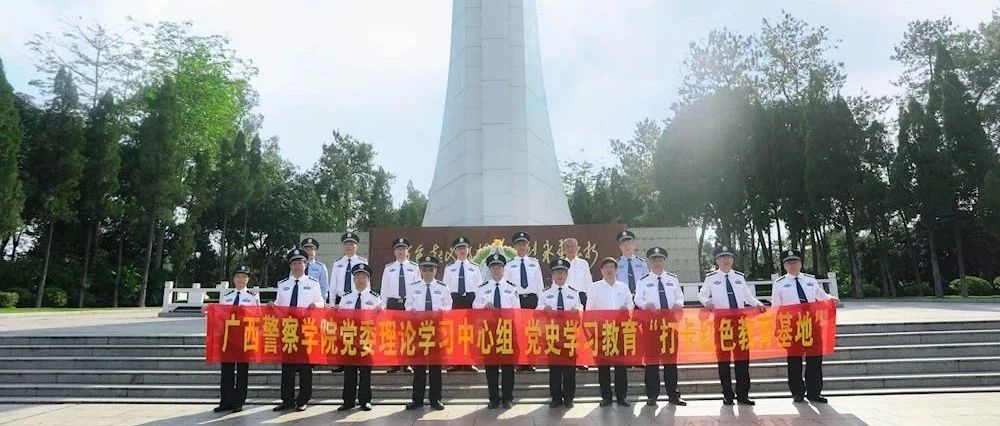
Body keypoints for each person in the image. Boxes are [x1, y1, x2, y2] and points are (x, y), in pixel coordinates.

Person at [698, 245, 766, 406]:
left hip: (740, 321)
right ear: (717, 261)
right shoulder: (711, 278)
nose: (726, 260)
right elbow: (702, 294)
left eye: (728, 257)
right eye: (722, 258)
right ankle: (727, 394)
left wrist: (757, 303)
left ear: (732, 260)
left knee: (743, 358)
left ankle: (743, 394)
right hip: (722, 323)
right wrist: (707, 302)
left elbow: (748, 296)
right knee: (724, 359)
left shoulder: (739, 277)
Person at [771, 249, 837, 404]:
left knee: (815, 359)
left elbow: (821, 295)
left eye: (795, 262)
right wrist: (778, 326)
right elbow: (776, 306)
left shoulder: (810, 280)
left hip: (811, 323)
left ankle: (814, 392)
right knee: (794, 360)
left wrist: (830, 298)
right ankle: (797, 392)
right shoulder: (779, 283)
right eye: (789, 262)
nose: (792, 265)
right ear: (784, 265)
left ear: (801, 263)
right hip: (792, 325)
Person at [272, 248, 325, 412]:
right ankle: (287, 400)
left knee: (304, 367)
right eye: (294, 263)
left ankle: (303, 399)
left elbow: (321, 303)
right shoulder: (283, 285)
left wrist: (314, 305)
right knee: (287, 367)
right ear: (290, 265)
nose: (297, 266)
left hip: (306, 328)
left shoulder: (312, 283)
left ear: (305, 264)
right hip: (288, 329)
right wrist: (271, 307)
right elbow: (278, 305)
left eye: (300, 263)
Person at [633, 247, 687, 406]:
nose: (657, 263)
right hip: (651, 325)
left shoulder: (672, 279)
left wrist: (678, 303)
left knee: (671, 361)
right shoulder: (643, 281)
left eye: (660, 260)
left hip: (670, 325)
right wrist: (645, 304)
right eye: (654, 260)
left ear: (664, 261)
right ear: (650, 262)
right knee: (651, 361)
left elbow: (679, 296)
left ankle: (673, 395)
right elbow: (637, 299)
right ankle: (652, 395)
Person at [205, 265, 259, 413]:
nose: (240, 279)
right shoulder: (227, 297)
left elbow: (258, 317)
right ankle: (226, 401)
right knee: (227, 371)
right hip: (227, 338)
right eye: (238, 276)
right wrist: (209, 311)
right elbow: (219, 316)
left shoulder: (252, 297)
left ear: (248, 279)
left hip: (244, 338)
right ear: (233, 279)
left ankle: (238, 402)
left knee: (242, 372)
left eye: (244, 277)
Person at [405, 256, 453, 411]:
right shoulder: (413, 287)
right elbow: (407, 305)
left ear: (435, 271)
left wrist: (442, 311)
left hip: (437, 331)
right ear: (420, 271)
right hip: (419, 330)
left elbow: (449, 306)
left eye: (430, 269)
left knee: (435, 367)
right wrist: (411, 311)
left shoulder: (442, 287)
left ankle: (435, 399)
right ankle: (417, 400)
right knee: (418, 366)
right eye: (424, 269)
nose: (427, 272)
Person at [473, 253, 519, 409]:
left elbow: (517, 309)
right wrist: (483, 306)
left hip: (507, 330)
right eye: (493, 267)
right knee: (491, 366)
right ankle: (493, 398)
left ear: (503, 269)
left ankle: (507, 398)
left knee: (507, 366)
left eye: (499, 266)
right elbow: (475, 306)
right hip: (489, 331)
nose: (497, 269)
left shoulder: (512, 288)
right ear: (489, 269)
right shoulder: (482, 288)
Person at [586, 257, 634, 407]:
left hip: (620, 330)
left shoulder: (623, 287)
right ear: (601, 270)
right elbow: (589, 310)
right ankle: (606, 397)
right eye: (606, 267)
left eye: (612, 267)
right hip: (603, 330)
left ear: (616, 269)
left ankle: (621, 397)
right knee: (604, 366)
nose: (609, 270)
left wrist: (627, 309)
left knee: (621, 366)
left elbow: (631, 305)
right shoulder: (594, 287)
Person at [337, 263, 383, 412]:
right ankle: (348, 401)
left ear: (368, 279)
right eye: (357, 276)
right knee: (349, 371)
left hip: (366, 338)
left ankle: (365, 401)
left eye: (364, 276)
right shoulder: (345, 298)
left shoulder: (375, 298)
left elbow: (381, 321)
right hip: (349, 338)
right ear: (354, 278)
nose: (360, 279)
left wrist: (380, 312)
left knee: (365, 372)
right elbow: (339, 319)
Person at [537, 258, 582, 408]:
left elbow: (581, 308)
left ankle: (569, 397)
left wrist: (578, 311)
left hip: (569, 334)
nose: (560, 275)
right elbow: (537, 309)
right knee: (555, 369)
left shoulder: (574, 293)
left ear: (567, 274)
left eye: (562, 272)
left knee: (570, 369)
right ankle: (556, 397)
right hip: (552, 334)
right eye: (557, 272)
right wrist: (544, 309)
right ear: (552, 274)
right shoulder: (545, 292)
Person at [505, 231, 543, 371]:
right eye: (519, 244)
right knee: (518, 331)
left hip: (532, 299)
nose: (522, 247)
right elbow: (507, 286)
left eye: (524, 244)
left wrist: (540, 303)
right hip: (517, 299)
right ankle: (520, 361)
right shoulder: (509, 265)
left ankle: (530, 361)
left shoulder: (534, 263)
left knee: (531, 331)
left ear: (528, 246)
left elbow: (539, 284)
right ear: (514, 246)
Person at [443, 236, 483, 373]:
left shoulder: (475, 268)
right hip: (455, 301)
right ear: (454, 251)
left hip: (470, 300)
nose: (462, 251)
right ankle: (456, 362)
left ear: (469, 250)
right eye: (459, 248)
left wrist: (478, 305)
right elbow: (445, 290)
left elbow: (480, 289)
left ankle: (469, 362)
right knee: (455, 333)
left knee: (470, 332)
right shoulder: (449, 269)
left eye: (464, 248)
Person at [381, 237, 419, 374]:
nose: (401, 251)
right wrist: (384, 307)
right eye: (398, 249)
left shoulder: (414, 268)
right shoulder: (389, 268)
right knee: (393, 335)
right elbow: (384, 289)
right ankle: (394, 363)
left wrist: (416, 305)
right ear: (394, 252)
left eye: (403, 249)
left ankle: (406, 363)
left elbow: (418, 288)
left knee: (408, 334)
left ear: (407, 251)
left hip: (408, 305)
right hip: (393, 303)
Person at [561, 237, 593, 372]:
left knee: (580, 331)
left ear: (578, 248)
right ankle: (566, 358)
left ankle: (581, 360)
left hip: (580, 297)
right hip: (565, 297)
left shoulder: (583, 263)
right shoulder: (561, 264)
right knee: (565, 330)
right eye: (567, 246)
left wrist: (590, 301)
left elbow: (589, 283)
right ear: (563, 249)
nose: (570, 249)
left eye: (573, 246)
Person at [330, 231, 367, 305]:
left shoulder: (363, 262)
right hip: (340, 300)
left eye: (351, 244)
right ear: (343, 246)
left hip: (357, 300)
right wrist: (331, 303)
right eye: (346, 244)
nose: (349, 247)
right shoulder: (337, 264)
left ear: (356, 247)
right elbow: (333, 285)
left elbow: (367, 284)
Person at [615, 230, 648, 294]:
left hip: (639, 295)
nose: (627, 246)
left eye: (629, 243)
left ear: (634, 245)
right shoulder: (615, 263)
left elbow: (646, 281)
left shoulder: (641, 263)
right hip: (623, 295)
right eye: (624, 244)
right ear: (620, 247)